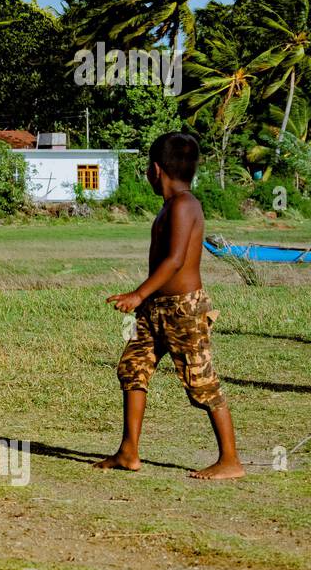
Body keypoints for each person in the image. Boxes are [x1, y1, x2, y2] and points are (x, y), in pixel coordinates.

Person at [99, 132, 244, 480]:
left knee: (201, 383)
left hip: (184, 310)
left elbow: (175, 261)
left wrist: (138, 293)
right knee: (132, 368)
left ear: (155, 170)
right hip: (155, 308)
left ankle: (230, 460)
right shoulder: (170, 205)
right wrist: (146, 301)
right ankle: (128, 451)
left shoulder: (184, 205)